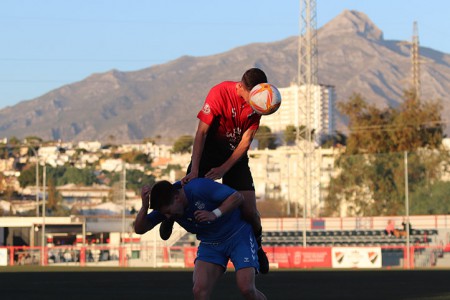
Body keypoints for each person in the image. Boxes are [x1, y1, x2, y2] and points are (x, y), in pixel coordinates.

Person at [159, 67, 270, 273]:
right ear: (240, 88)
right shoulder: (219, 93)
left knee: (250, 211)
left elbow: (245, 142)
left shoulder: (259, 103)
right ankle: (169, 217)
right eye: (250, 97)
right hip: (209, 151)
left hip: (234, 156)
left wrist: (224, 168)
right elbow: (201, 133)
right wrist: (195, 169)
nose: (254, 102)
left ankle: (259, 246)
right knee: (186, 191)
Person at [134, 178, 267, 300]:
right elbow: (140, 229)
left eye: (169, 212)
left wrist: (214, 214)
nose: (168, 217)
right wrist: (144, 207)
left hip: (237, 235)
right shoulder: (167, 206)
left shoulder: (198, 187)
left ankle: (259, 250)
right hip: (210, 243)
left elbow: (237, 197)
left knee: (247, 289)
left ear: (177, 198)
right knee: (199, 290)